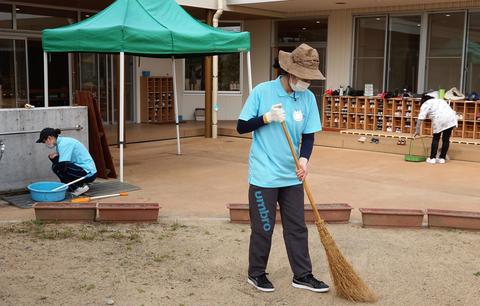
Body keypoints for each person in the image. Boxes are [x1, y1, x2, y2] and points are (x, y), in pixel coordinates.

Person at [236, 43, 329, 293]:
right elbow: (241, 126)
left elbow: (308, 136)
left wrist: (304, 160)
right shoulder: (262, 91)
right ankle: (256, 273)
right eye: (304, 78)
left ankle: (302, 275)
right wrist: (266, 118)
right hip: (264, 175)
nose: (307, 82)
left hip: (292, 175)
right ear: (290, 72)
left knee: (297, 226)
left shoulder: (307, 97)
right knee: (264, 227)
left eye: (311, 78)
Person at [36, 128, 97, 196]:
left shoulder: (64, 144)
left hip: (88, 174)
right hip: (83, 170)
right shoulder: (61, 143)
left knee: (56, 167)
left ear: (49, 138)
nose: (45, 144)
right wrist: (55, 158)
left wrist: (54, 158)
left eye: (44, 141)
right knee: (57, 166)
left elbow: (62, 166)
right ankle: (76, 186)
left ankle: (78, 188)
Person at [414, 91, 458, 164]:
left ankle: (432, 158)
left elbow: (420, 118)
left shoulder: (425, 104)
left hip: (439, 119)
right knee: (446, 139)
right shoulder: (440, 100)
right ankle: (442, 158)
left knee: (436, 138)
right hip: (451, 118)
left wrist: (417, 130)